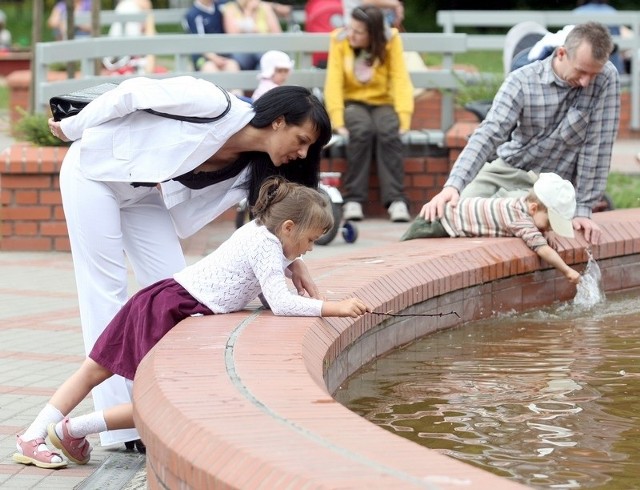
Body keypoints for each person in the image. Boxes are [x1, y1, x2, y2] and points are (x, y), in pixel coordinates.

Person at [46, 77, 331, 449]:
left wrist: (292, 264)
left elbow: (272, 228)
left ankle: (155, 403)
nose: (303, 154)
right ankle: (120, 429)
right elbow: (131, 93)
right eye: (302, 140)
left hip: (142, 192)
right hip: (94, 170)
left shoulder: (255, 168)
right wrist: (72, 128)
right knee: (106, 289)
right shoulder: (213, 102)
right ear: (279, 120)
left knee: (175, 292)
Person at [12, 176, 371, 469]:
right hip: (173, 307)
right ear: (289, 227)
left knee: (93, 371)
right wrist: (333, 308)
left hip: (162, 298)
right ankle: (68, 429)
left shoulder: (261, 234)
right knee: (164, 395)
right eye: (310, 240)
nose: (310, 249)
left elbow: (264, 291)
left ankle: (36, 434)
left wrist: (292, 270)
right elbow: (279, 303)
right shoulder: (265, 245)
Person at [420, 21, 620, 246]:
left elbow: (598, 146)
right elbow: (489, 134)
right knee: (454, 210)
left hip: (552, 185)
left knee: (531, 216)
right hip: (510, 167)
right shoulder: (522, 81)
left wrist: (583, 209)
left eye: (593, 74)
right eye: (582, 72)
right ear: (562, 53)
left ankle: (508, 206)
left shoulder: (606, 78)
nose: (586, 82)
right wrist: (453, 185)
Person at [403, 173, 581, 285]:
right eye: (549, 223)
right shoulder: (519, 218)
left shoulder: (522, 206)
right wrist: (567, 271)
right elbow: (541, 248)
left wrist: (544, 232)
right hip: (438, 221)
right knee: (405, 247)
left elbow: (538, 233)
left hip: (447, 217)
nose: (549, 229)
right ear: (533, 208)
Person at [323, 5, 414, 223]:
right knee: (362, 131)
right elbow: (333, 81)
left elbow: (400, 78)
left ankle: (396, 201)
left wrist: (404, 116)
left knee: (388, 131)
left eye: (358, 31)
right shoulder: (340, 39)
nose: (351, 34)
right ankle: (354, 200)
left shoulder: (390, 40)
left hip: (383, 102)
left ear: (372, 33)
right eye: (350, 28)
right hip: (353, 103)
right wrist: (337, 118)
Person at [183, 0, 241, 76]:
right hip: (203, 57)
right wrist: (214, 58)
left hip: (224, 55)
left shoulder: (221, 6)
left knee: (233, 67)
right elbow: (199, 42)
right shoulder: (193, 14)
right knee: (211, 70)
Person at [222, 0, 283, 70]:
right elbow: (232, 35)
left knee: (264, 60)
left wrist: (246, 29)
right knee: (263, 59)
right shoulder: (230, 8)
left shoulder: (265, 7)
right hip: (241, 51)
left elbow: (277, 33)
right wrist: (249, 11)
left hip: (264, 49)